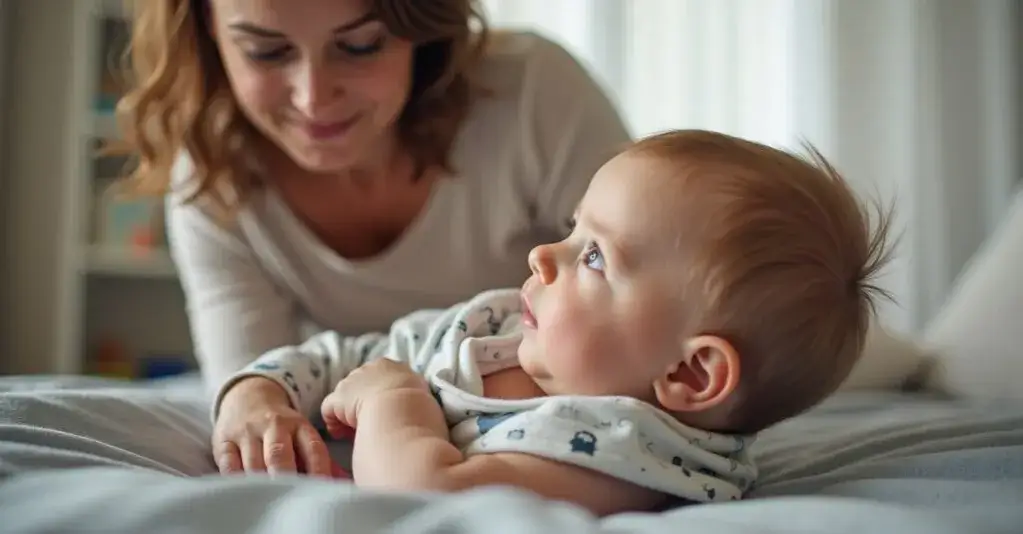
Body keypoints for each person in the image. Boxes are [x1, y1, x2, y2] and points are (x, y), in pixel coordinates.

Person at [212, 129, 894, 516]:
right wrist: (257, 391)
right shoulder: (507, 327)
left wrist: (392, 398)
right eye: (573, 230)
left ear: (688, 371)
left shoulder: (617, 453)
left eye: (593, 256)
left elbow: (425, 493)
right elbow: (347, 354)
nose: (543, 254)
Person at [116, 1, 630, 391]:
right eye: (266, 51)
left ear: (418, 25)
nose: (313, 96)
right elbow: (258, 387)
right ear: (209, 31)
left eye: (360, 45)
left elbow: (665, 295)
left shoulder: (534, 93)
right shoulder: (212, 179)